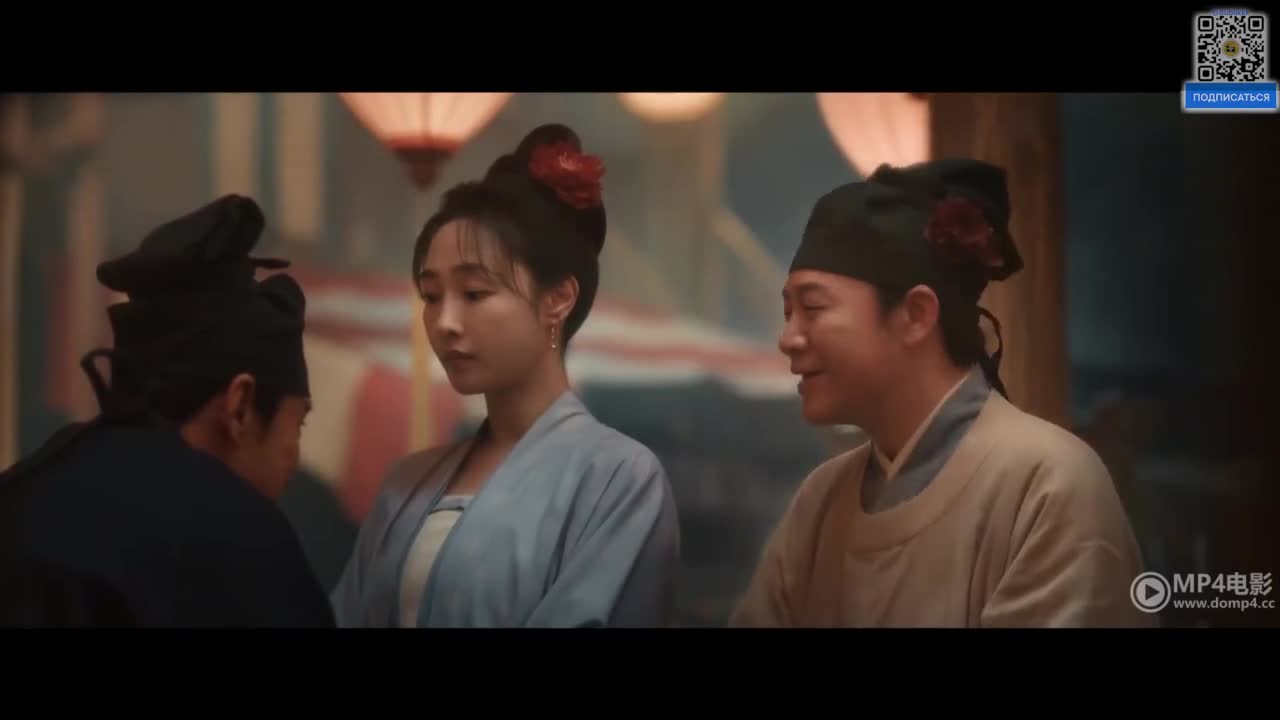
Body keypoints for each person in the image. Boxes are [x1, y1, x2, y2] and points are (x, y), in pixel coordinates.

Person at [730, 159, 1153, 628]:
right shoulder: (822, 499)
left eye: (812, 307)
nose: (788, 338)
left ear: (915, 315)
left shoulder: (1048, 482)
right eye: (788, 313)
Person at [331, 124, 681, 628]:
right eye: (431, 297)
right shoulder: (406, 483)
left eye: (474, 293)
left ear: (558, 298)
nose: (445, 322)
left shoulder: (617, 479)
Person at [0, 195, 336, 628]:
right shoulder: (240, 541)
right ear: (240, 406)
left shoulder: (26, 489)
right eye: (299, 423)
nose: (294, 454)